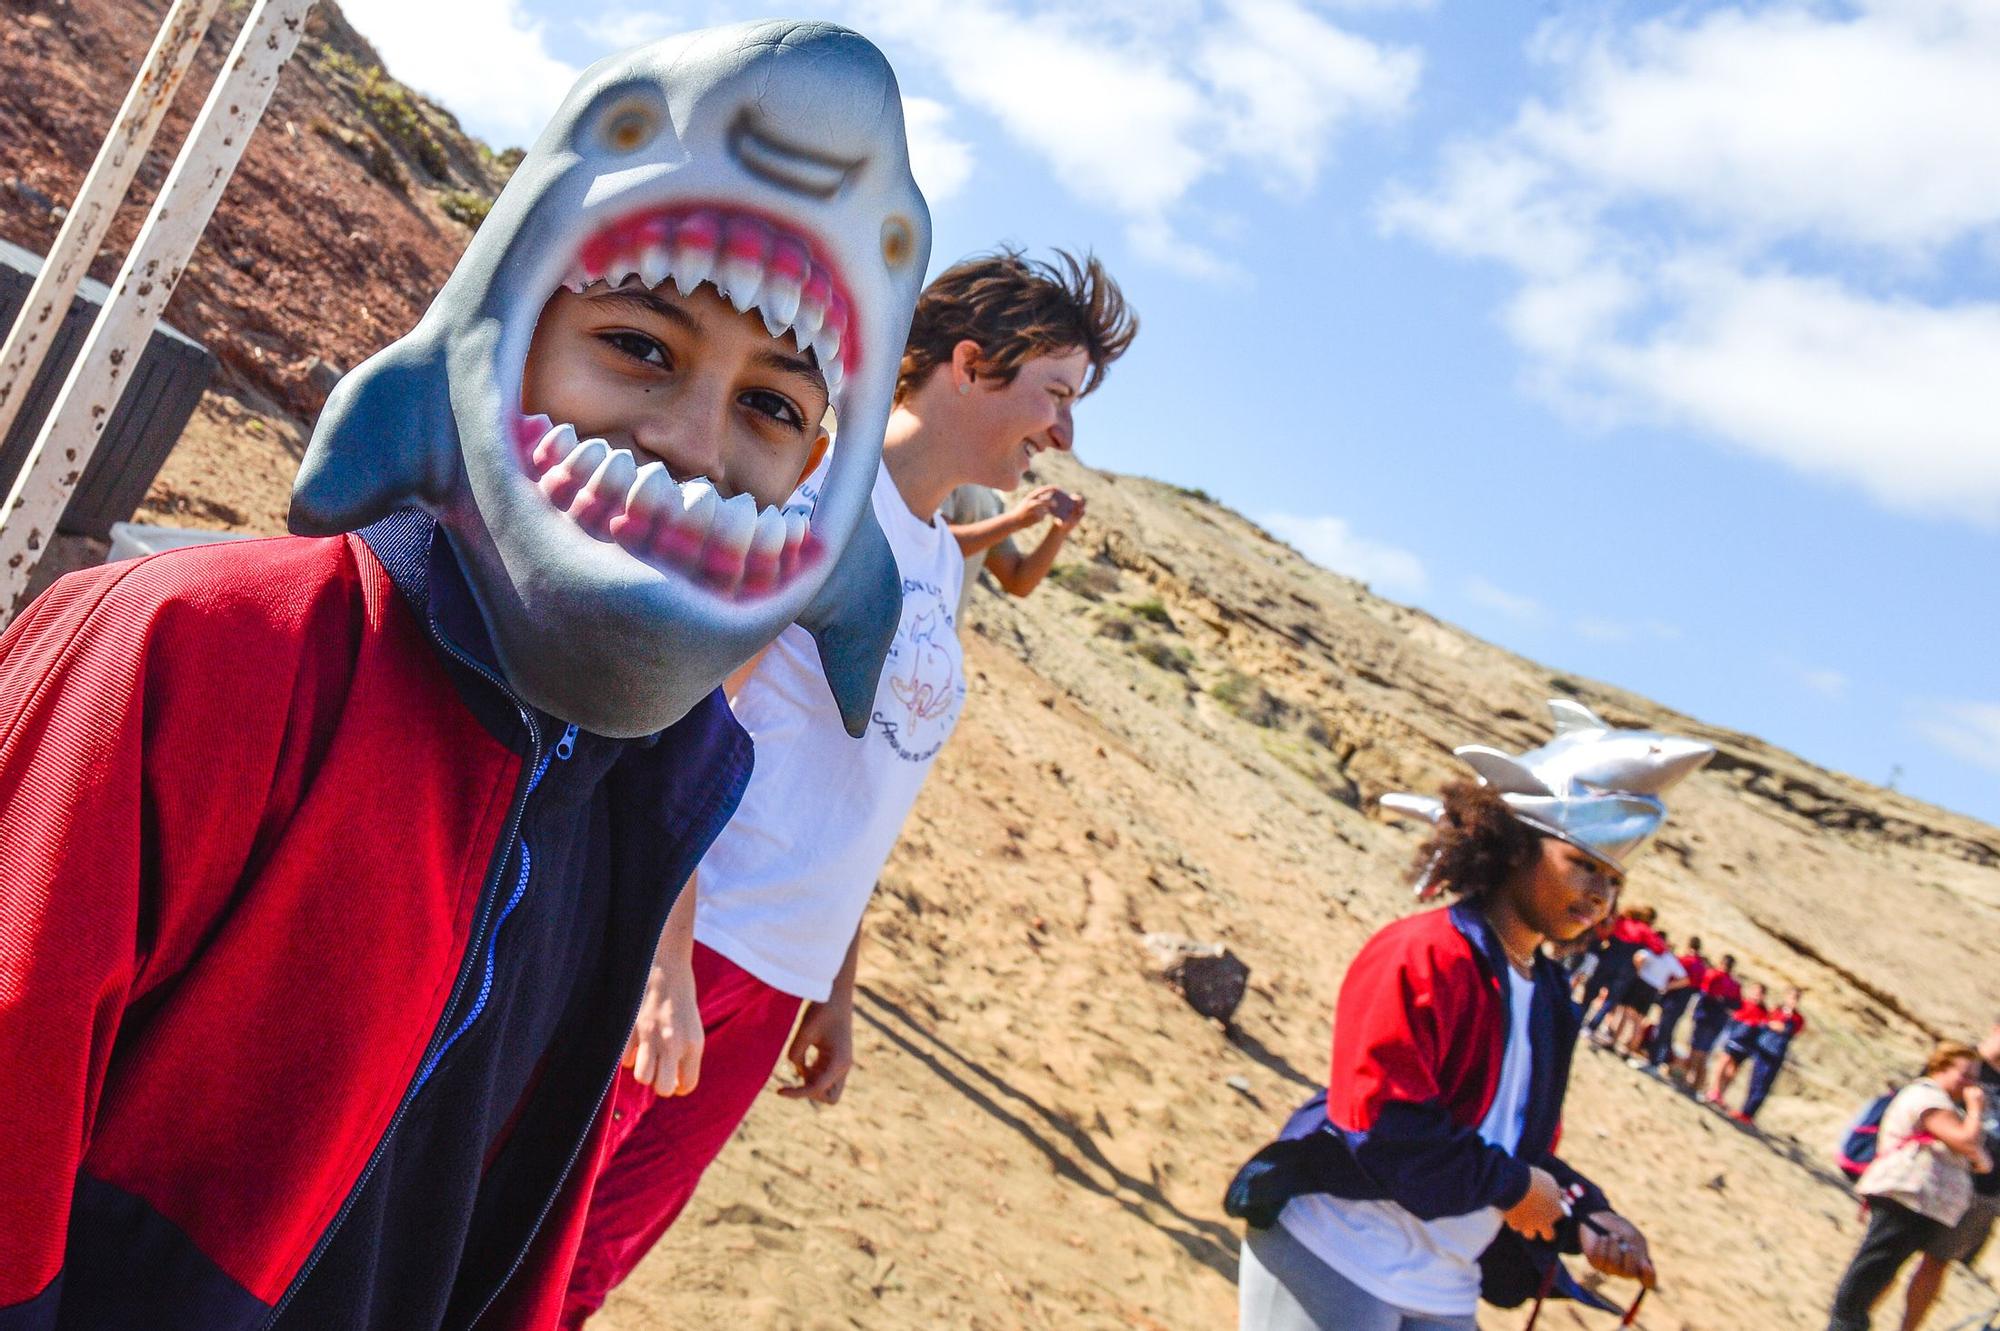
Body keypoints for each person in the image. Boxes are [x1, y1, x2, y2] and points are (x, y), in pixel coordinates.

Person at [0, 23, 931, 1327]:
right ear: (489, 329)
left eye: (775, 408)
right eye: (640, 346)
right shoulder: (192, 648)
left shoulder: (642, 800)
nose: (692, 446)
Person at [556, 247, 1136, 1328]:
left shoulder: (938, 554)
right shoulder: (816, 494)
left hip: (775, 970)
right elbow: (678, 717)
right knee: (524, 1233)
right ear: (969, 364)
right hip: (686, 935)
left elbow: (872, 772)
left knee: (590, 1271)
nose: (1063, 431)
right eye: (1054, 394)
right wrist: (661, 957)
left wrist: (836, 984)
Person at [1227, 701, 1713, 1330]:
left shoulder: (1550, 997)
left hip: (1446, 1287)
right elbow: (1382, 1126)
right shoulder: (1424, 953)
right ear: (1515, 850)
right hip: (1336, 1252)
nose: (1598, 894)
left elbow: (1509, 1146)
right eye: (1583, 864)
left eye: (1613, 878)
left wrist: (1588, 1215)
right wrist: (1513, 1187)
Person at [1826, 1042, 1993, 1331]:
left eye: (1974, 1077)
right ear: (1941, 1067)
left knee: (1877, 1275)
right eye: (1965, 1075)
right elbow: (1968, 1144)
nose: (1971, 1084)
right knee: (1862, 1285)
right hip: (1905, 1197)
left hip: (1922, 1205)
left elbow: (1981, 1158)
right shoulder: (1928, 1097)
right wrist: (1977, 1109)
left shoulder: (1944, 1104)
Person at [1900, 1020, 2000, 1331]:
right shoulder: (1964, 1064)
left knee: (1937, 1261)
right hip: (1934, 1175)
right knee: (1892, 1253)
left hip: (1984, 1191)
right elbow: (1923, 1102)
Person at [1609, 928, 1684, 1058]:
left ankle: (1614, 1041)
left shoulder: (1654, 951)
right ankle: (1628, 1051)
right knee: (1639, 1020)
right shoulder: (1669, 958)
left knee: (1626, 1014)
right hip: (1653, 989)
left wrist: (1640, 970)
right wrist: (1667, 986)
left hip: (1641, 983)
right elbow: (1684, 978)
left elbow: (1638, 957)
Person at [1739, 986, 1808, 1123]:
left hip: (1775, 1053)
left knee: (1763, 1084)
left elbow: (1788, 1030)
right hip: (1763, 1048)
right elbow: (1765, 1023)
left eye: (1795, 998)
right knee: (1754, 1080)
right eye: (1791, 997)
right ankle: (1743, 1111)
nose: (1792, 1000)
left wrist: (1777, 1025)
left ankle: (1749, 1114)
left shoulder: (1797, 1018)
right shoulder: (1777, 1010)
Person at [1646, 935, 1709, 1071]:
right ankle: (1662, 1059)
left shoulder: (1687, 961)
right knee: (1668, 1030)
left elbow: (1678, 978)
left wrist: (1667, 987)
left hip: (1674, 998)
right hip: (1684, 1002)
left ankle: (1654, 1061)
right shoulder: (1702, 966)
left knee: (1663, 1029)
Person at [1682, 954, 1741, 1093]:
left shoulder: (1714, 975)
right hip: (1718, 1021)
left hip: (1705, 1016)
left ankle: (1689, 1080)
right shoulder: (1734, 985)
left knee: (1696, 1049)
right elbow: (1736, 1005)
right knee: (1705, 1051)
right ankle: (1697, 1084)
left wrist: (1718, 1000)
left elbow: (1704, 993)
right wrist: (1723, 1003)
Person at [1708, 982, 1769, 1111]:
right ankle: (1713, 1090)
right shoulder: (1743, 1003)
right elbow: (1732, 1014)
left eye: (1759, 993)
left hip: (1746, 1045)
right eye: (1755, 992)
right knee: (1723, 1062)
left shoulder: (1764, 1012)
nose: (1756, 995)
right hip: (1733, 1038)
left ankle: (1720, 1094)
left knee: (1732, 1070)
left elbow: (1763, 1028)